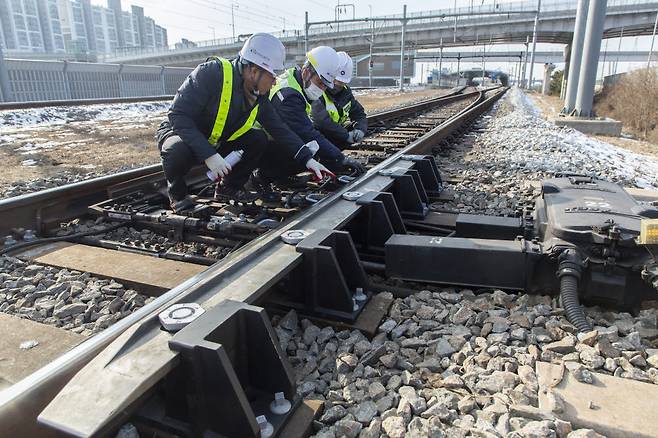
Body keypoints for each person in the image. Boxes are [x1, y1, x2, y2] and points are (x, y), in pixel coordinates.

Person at [155, 33, 330, 211]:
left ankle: (228, 188)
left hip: (214, 140)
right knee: (176, 148)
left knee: (257, 138)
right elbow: (177, 115)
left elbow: (280, 129)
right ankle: (178, 198)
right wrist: (209, 155)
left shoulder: (258, 96)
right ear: (254, 71)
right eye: (272, 74)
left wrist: (308, 159)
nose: (275, 80)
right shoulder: (211, 73)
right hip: (181, 133)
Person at [257, 46, 365, 183]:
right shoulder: (289, 95)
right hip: (256, 147)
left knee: (310, 148)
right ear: (306, 72)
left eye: (325, 86)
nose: (321, 89)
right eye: (320, 83)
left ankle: (279, 175)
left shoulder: (296, 81)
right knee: (307, 149)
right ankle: (262, 178)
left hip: (269, 141)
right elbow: (305, 132)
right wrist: (340, 158)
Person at [311, 51, 367, 150]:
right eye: (335, 81)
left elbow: (359, 114)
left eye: (341, 83)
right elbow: (322, 122)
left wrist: (360, 129)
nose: (337, 85)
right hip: (316, 140)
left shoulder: (346, 94)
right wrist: (345, 136)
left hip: (332, 139)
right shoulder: (317, 91)